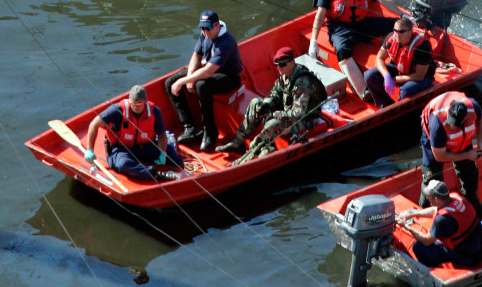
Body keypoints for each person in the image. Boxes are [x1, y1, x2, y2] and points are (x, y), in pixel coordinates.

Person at [309, 0, 403, 101]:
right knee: (342, 49)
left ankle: (393, 57)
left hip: (361, 24)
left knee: (395, 25)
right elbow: (320, 14)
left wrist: (401, 15)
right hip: (339, 28)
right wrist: (313, 41)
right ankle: (363, 91)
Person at [215, 46, 328, 159]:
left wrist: (275, 114)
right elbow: (275, 93)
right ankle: (238, 141)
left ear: (293, 62)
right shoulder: (284, 75)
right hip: (288, 110)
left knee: (272, 124)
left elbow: (298, 113)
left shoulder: (302, 82)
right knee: (256, 103)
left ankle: (255, 153)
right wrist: (266, 104)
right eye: (277, 65)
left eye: (283, 64)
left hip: (306, 118)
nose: (279, 68)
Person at [165, 10, 244, 153]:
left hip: (229, 77)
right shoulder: (205, 35)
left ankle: (210, 130)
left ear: (217, 26)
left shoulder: (226, 42)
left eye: (208, 28)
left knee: (201, 84)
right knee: (170, 82)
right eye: (202, 28)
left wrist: (184, 81)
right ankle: (190, 127)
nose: (205, 32)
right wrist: (188, 78)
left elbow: (208, 72)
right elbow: (196, 55)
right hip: (209, 70)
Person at [83, 84, 183, 182]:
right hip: (121, 149)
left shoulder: (154, 111)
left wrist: (162, 154)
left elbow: (161, 135)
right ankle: (157, 174)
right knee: (123, 164)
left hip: (144, 146)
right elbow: (94, 124)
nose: (135, 107)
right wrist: (90, 150)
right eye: (132, 103)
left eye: (139, 104)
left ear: (145, 101)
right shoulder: (117, 110)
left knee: (175, 158)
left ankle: (178, 173)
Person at [419, 91, 482, 218]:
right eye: (451, 121)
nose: (452, 126)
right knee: (432, 178)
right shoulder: (437, 123)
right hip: (436, 146)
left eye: (455, 123)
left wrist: (480, 143)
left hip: (461, 140)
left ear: (465, 118)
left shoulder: (473, 107)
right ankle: (426, 211)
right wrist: (467, 155)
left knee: (470, 172)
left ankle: (474, 204)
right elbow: (439, 156)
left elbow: (481, 121)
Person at [396, 179, 482, 269]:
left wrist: (406, 226)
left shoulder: (441, 220)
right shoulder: (456, 197)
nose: (426, 197)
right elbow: (436, 210)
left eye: (428, 195)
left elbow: (426, 240)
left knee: (418, 247)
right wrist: (414, 213)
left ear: (437, 198)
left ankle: (434, 271)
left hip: (469, 257)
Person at [363, 15, 438, 108]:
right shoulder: (391, 38)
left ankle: (402, 110)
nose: (397, 34)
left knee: (405, 91)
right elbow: (379, 58)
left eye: (401, 32)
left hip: (419, 77)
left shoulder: (422, 46)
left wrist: (396, 79)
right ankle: (385, 105)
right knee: (369, 75)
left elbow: (419, 76)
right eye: (395, 31)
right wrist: (386, 76)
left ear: (410, 31)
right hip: (399, 69)